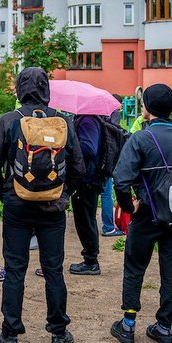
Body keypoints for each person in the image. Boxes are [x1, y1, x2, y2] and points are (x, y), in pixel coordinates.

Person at [0, 67, 84, 343]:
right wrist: (64, 192)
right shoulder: (63, 122)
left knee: (15, 269)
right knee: (53, 269)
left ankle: (10, 335)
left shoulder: (9, 120)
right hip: (53, 206)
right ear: (46, 89)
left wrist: (6, 192)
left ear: (19, 89)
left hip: (17, 204)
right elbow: (78, 167)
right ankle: (58, 332)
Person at [109, 84, 172, 343]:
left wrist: (129, 207)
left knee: (135, 267)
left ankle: (128, 324)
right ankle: (164, 327)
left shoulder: (140, 139)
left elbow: (121, 179)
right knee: (171, 270)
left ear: (147, 108)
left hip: (147, 214)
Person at [69, 113, 105, 275]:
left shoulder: (88, 120)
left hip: (87, 179)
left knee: (85, 220)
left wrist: (69, 145)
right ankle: (90, 259)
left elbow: (89, 148)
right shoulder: (86, 119)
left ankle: (91, 261)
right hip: (87, 178)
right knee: (84, 219)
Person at [99, 103, 125, 237]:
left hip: (94, 162)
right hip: (105, 160)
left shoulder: (92, 116)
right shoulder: (114, 113)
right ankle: (108, 227)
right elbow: (115, 133)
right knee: (106, 194)